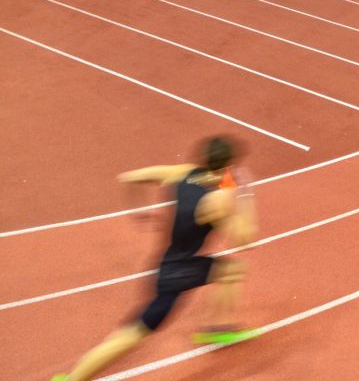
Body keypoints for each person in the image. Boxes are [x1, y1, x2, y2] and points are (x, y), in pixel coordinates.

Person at [52, 136, 259, 381]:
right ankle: (72, 379)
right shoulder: (216, 201)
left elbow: (130, 178)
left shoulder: (182, 173)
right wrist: (245, 193)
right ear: (228, 167)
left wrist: (139, 211)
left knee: (232, 270)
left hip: (170, 263)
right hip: (177, 275)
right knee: (131, 336)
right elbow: (246, 239)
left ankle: (217, 328)